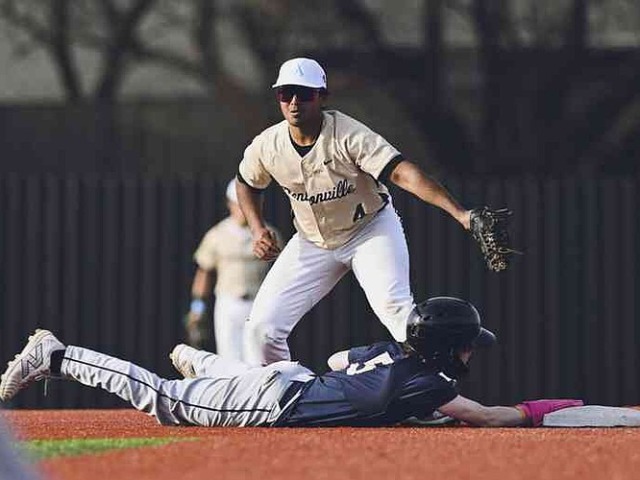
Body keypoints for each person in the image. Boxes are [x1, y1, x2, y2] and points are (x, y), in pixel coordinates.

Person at [0, 297, 582, 428]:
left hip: (297, 377)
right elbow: (485, 415)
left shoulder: (394, 352)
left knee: (226, 383)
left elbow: (334, 357)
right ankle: (56, 353)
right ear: (446, 345)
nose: (470, 350)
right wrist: (537, 410)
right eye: (468, 342)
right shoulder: (428, 381)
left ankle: (205, 364)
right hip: (279, 397)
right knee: (163, 401)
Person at [235, 57, 481, 366]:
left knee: (400, 315)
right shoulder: (267, 145)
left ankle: (429, 398)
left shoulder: (348, 135)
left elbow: (402, 173)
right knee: (261, 329)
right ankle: (276, 397)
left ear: (322, 97)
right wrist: (257, 228)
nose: (295, 102)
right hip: (312, 241)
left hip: (370, 230)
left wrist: (459, 213)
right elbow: (246, 183)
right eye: (286, 93)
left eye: (304, 93)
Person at [184, 178, 282, 359]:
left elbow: (282, 272)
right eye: (238, 205)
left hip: (259, 304)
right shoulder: (217, 235)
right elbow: (204, 271)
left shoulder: (269, 233)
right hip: (228, 303)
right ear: (230, 204)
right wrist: (197, 308)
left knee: (258, 358)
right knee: (230, 358)